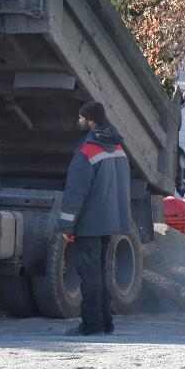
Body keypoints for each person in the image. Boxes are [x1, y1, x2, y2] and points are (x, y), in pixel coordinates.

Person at [57, 101, 132, 336]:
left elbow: (75, 193)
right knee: (101, 273)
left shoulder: (87, 151)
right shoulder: (118, 148)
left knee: (90, 276)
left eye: (80, 118)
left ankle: (91, 325)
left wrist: (66, 226)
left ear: (90, 121)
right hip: (110, 224)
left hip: (89, 225)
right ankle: (106, 322)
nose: (78, 122)